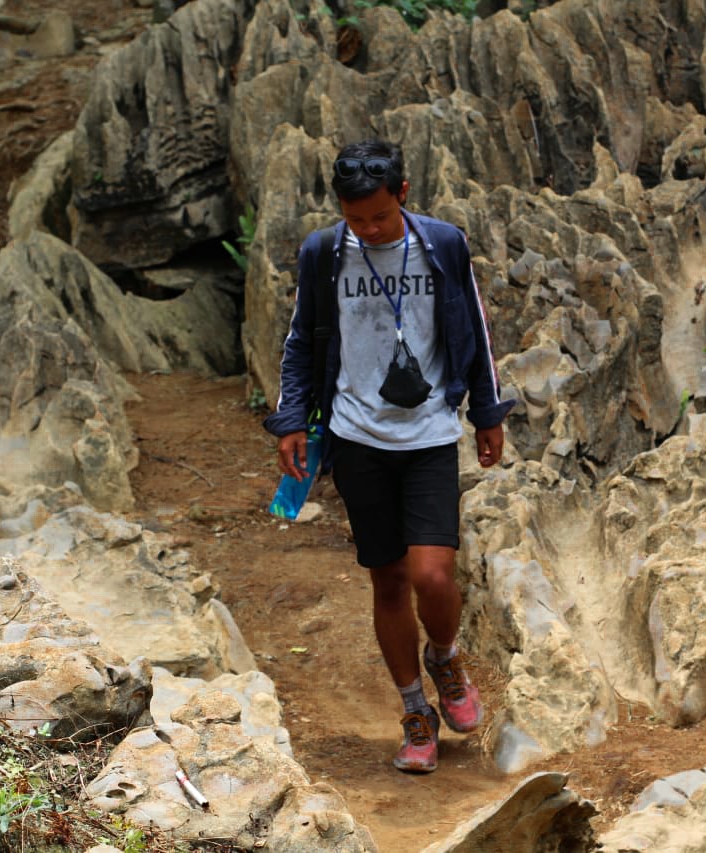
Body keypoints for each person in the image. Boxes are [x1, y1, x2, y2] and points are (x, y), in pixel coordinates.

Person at [263, 139, 513, 773]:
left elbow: (473, 331)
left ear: (402, 195)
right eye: (356, 219)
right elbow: (300, 341)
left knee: (433, 575)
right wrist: (292, 420)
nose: (368, 229)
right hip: (356, 438)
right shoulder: (325, 253)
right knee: (390, 580)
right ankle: (414, 712)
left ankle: (446, 657)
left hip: (428, 434)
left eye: (378, 216)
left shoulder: (442, 245)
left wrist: (486, 414)